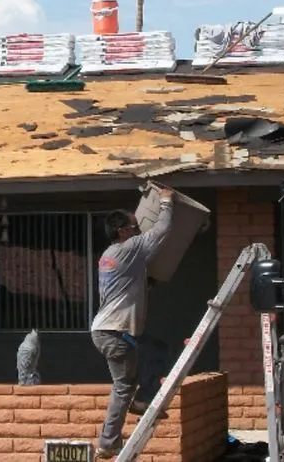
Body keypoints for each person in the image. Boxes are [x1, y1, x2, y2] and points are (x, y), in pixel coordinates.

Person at [90, 188, 174, 458]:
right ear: (123, 231)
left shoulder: (111, 254)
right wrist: (166, 201)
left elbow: (126, 285)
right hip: (115, 332)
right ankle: (108, 441)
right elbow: (162, 230)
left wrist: (144, 285)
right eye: (135, 227)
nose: (138, 231)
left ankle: (141, 400)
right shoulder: (130, 247)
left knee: (151, 355)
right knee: (125, 383)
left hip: (108, 330)